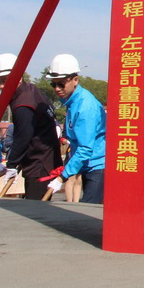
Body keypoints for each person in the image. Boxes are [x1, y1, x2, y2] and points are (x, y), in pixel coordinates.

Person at [0, 53, 62, 200]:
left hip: (40, 164)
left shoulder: (24, 104)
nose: (2, 86)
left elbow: (23, 136)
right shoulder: (31, 89)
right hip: (44, 159)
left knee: (35, 209)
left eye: (5, 80)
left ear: (18, 76)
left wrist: (12, 164)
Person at [43, 54, 107, 203]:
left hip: (97, 165)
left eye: (61, 84)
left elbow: (85, 148)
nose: (57, 89)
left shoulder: (85, 107)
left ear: (75, 80)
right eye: (54, 84)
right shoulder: (72, 102)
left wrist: (62, 177)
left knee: (88, 210)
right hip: (86, 164)